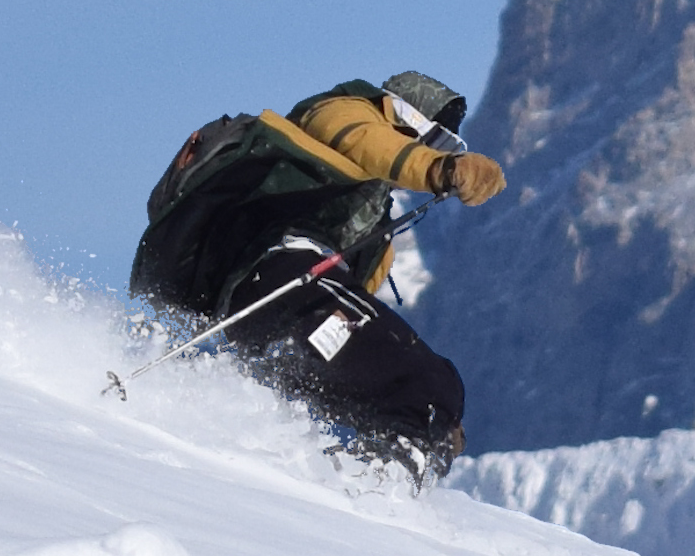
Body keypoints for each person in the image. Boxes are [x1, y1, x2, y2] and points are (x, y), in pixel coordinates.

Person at [128, 71, 504, 471]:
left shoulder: (371, 222)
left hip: (276, 307)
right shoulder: (341, 111)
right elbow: (367, 142)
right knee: (429, 384)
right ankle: (382, 475)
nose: (431, 150)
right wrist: (444, 169)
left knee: (419, 395)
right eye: (434, 141)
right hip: (279, 273)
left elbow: (358, 297)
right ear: (404, 118)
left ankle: (369, 467)